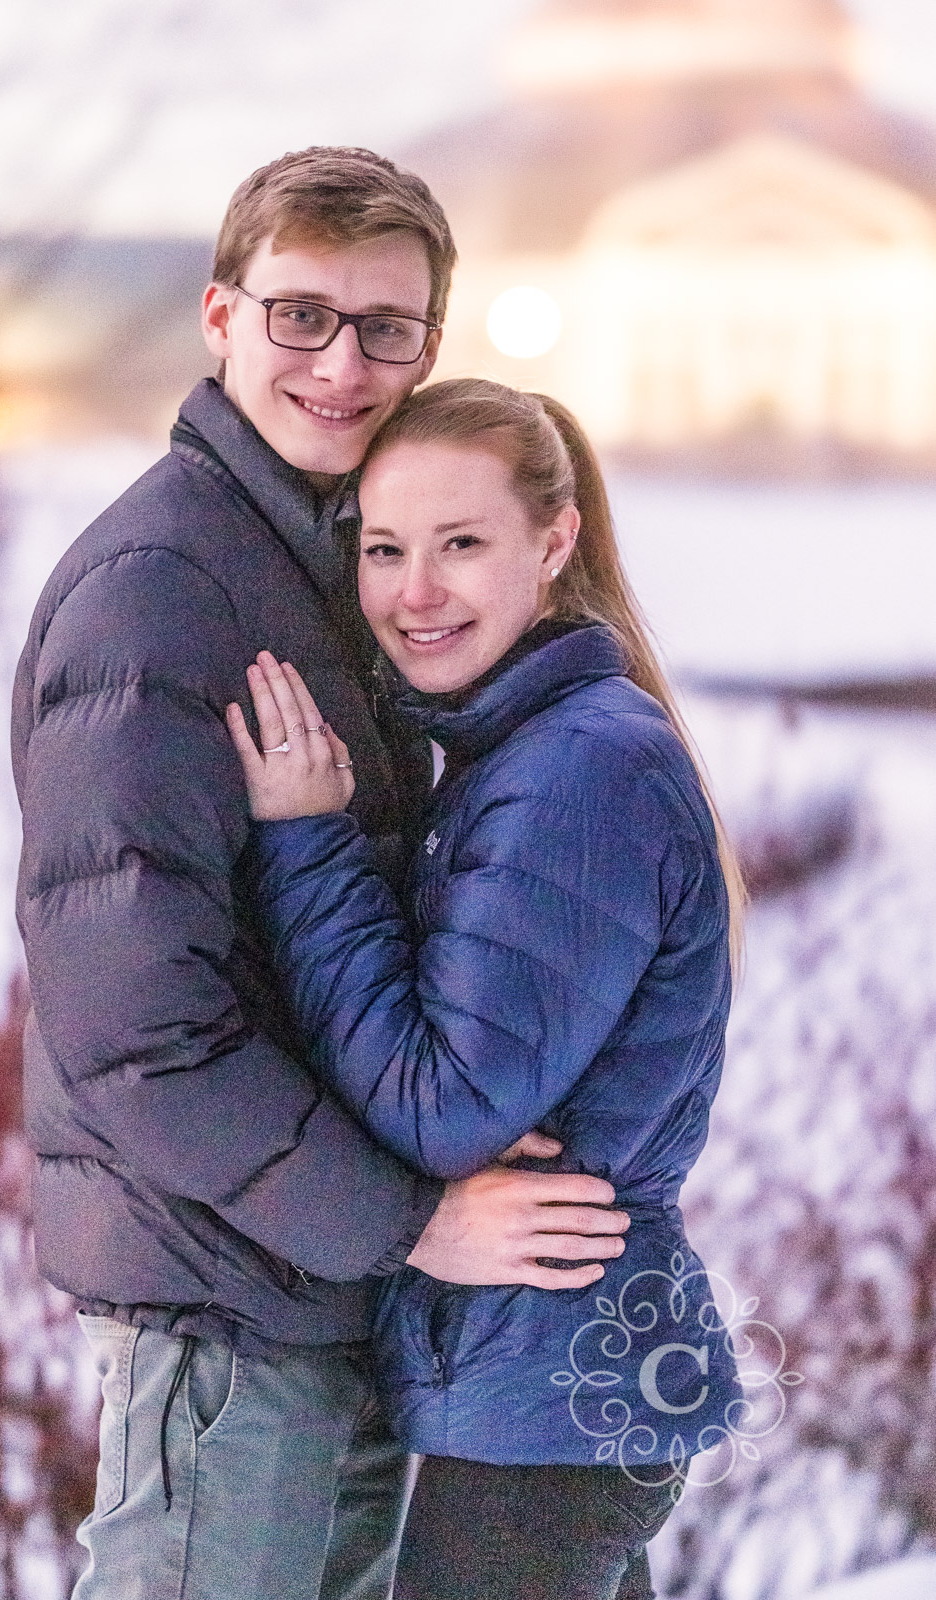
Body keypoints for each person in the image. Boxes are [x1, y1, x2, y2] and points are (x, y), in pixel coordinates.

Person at [11, 150, 631, 1600]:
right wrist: (414, 1219)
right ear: (219, 319)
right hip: (227, 1306)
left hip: (319, 1288)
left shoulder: (327, 565)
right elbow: (138, 1032)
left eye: (385, 328)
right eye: (300, 316)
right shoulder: (162, 593)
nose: (341, 365)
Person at [226, 378, 746, 1600]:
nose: (414, 592)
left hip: (553, 1388)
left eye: (460, 544)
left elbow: (446, 1106)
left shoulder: (576, 773)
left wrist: (309, 843)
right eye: (386, 548)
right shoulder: (526, 748)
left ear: (551, 544)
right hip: (554, 1380)